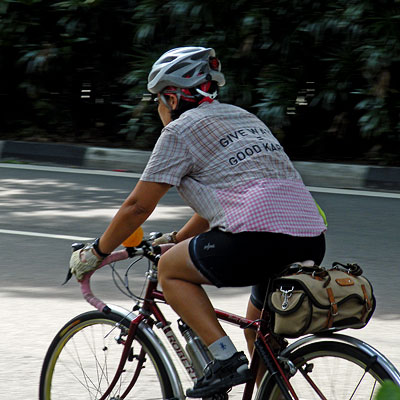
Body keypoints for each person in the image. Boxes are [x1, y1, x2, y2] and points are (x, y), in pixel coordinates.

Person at [70, 46, 327, 398]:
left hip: (256, 239)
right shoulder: (245, 118)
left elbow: (137, 207)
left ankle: (224, 359)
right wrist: (178, 236)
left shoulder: (179, 132)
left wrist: (96, 252)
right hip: (309, 237)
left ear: (172, 97)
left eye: (158, 100)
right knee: (258, 333)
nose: (158, 108)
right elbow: (227, 202)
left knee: (171, 270)